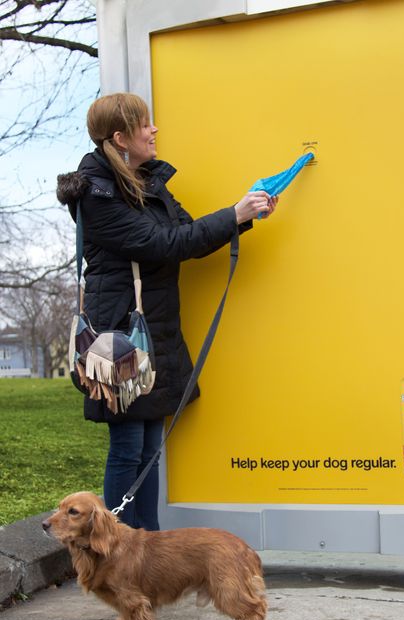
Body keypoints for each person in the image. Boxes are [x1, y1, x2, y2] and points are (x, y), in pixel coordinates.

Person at [57, 92, 278, 531]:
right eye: (144, 125)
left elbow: (188, 234)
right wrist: (235, 213)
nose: (153, 130)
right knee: (128, 447)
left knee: (150, 448)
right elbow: (166, 244)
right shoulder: (98, 195)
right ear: (120, 138)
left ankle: (147, 547)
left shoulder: (145, 180)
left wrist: (243, 214)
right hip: (119, 334)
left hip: (151, 328)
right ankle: (117, 549)